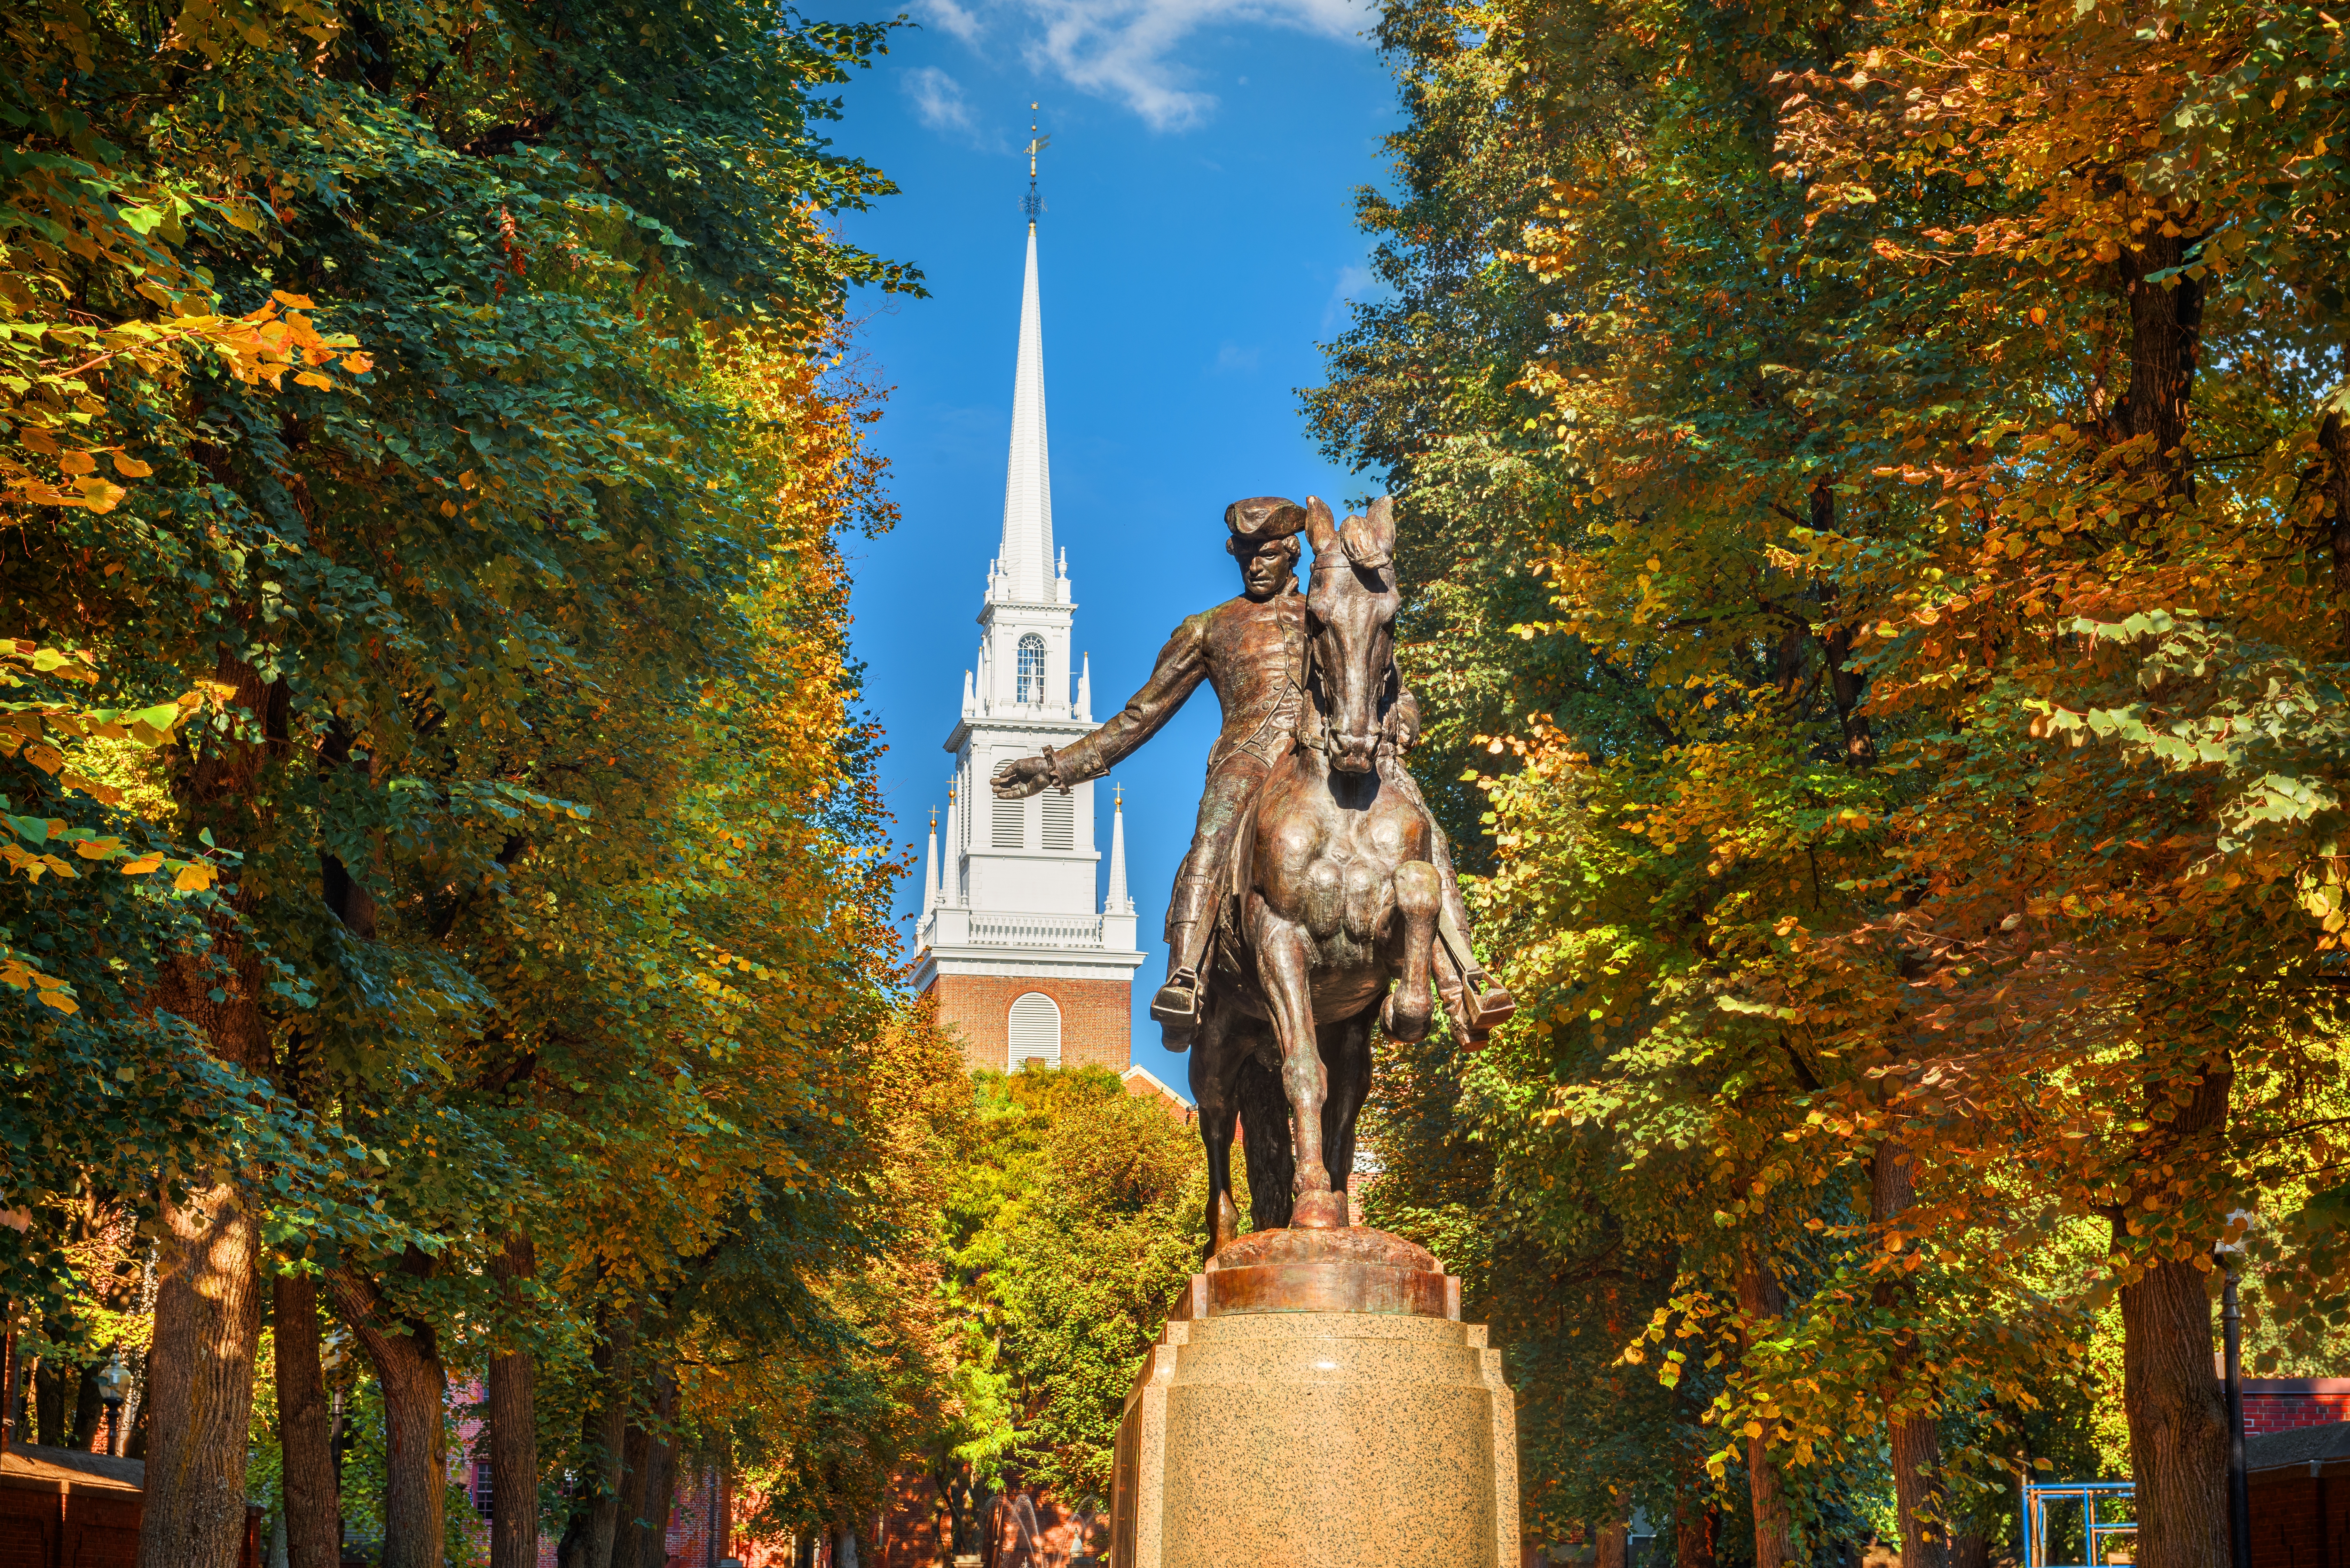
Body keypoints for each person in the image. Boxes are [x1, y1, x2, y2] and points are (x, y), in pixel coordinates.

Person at [989, 495, 1511, 1047]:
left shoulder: (1330, 604)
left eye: (1265, 553)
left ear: (1292, 553)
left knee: (1425, 829)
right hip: (1252, 757)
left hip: (1340, 749)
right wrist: (1056, 768)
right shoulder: (1209, 628)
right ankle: (1186, 976)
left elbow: (1388, 682)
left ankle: (1464, 984)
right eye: (1244, 553)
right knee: (1211, 837)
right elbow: (1140, 716)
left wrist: (1403, 720)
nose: (1254, 564)